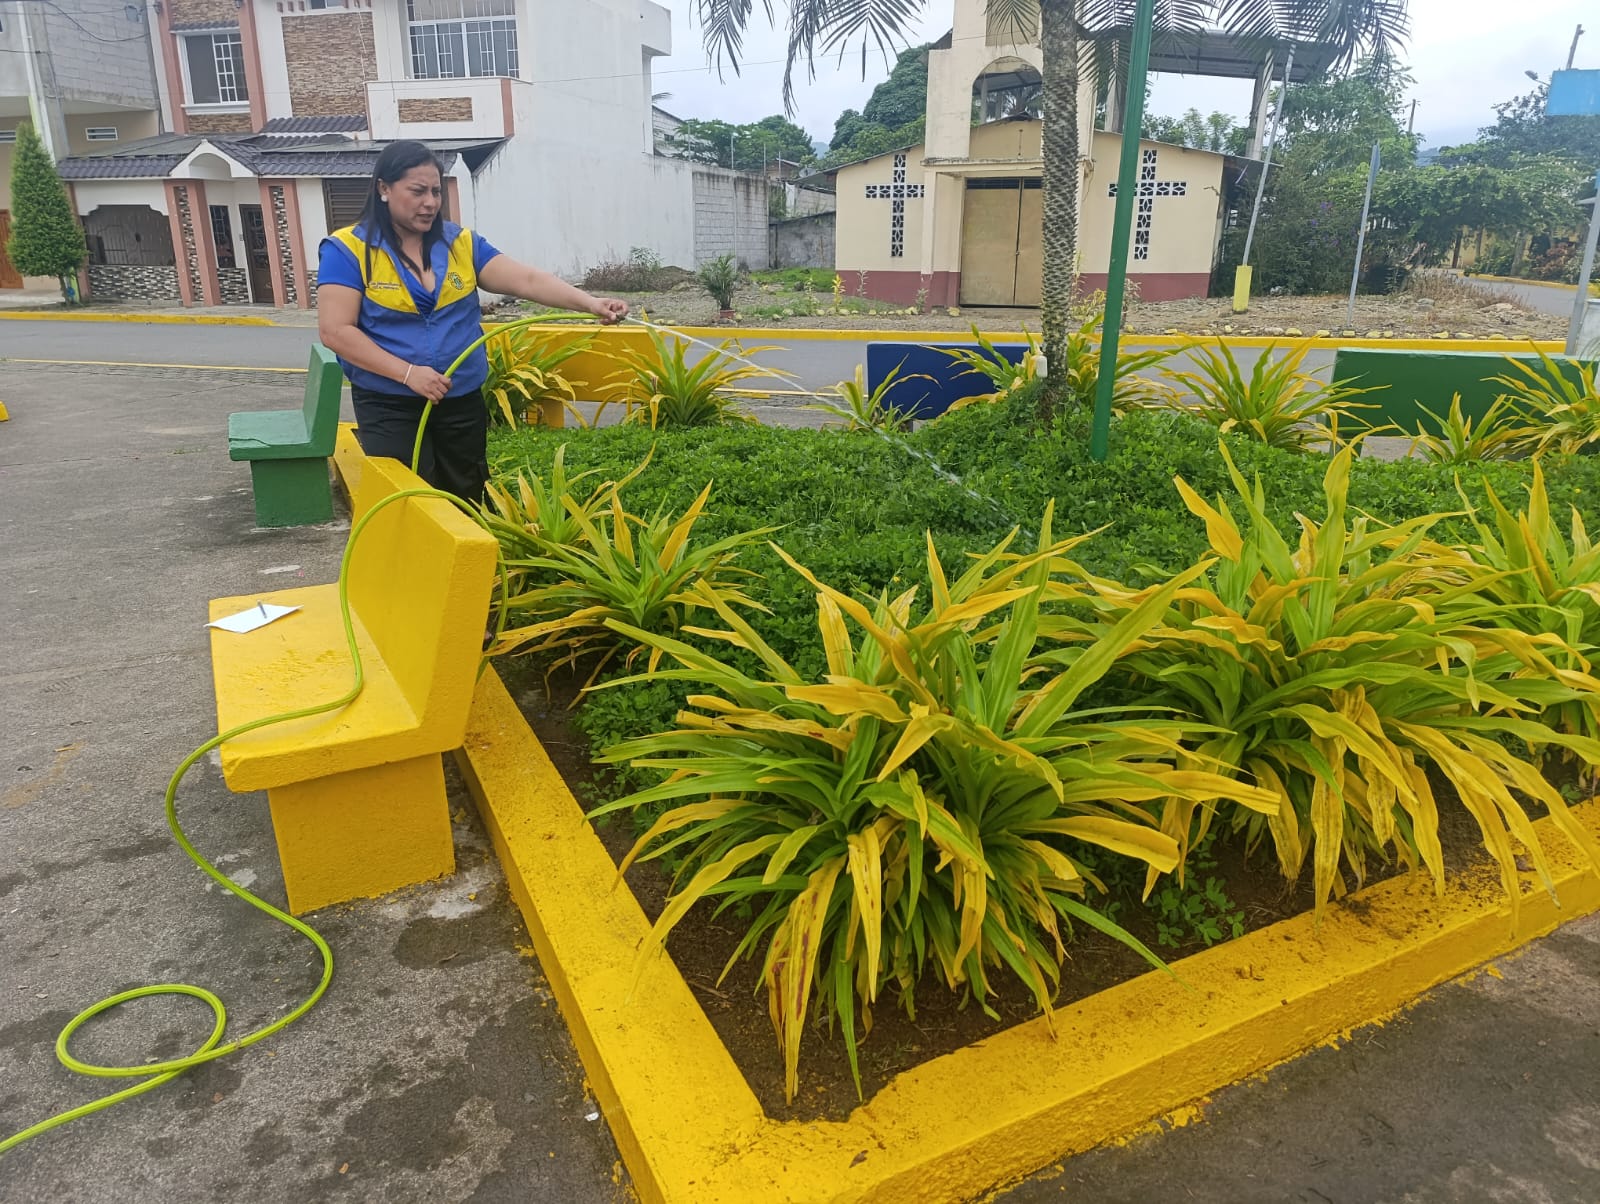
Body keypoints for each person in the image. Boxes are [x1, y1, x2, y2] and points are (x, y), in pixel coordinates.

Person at [317, 141, 627, 499]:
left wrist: (591, 303)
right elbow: (336, 331)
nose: (430, 202)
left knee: (468, 495)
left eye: (436, 191)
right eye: (417, 191)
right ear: (384, 189)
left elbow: (527, 280)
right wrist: (408, 374)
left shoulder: (460, 243)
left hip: (460, 399)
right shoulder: (347, 250)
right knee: (410, 501)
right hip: (390, 405)